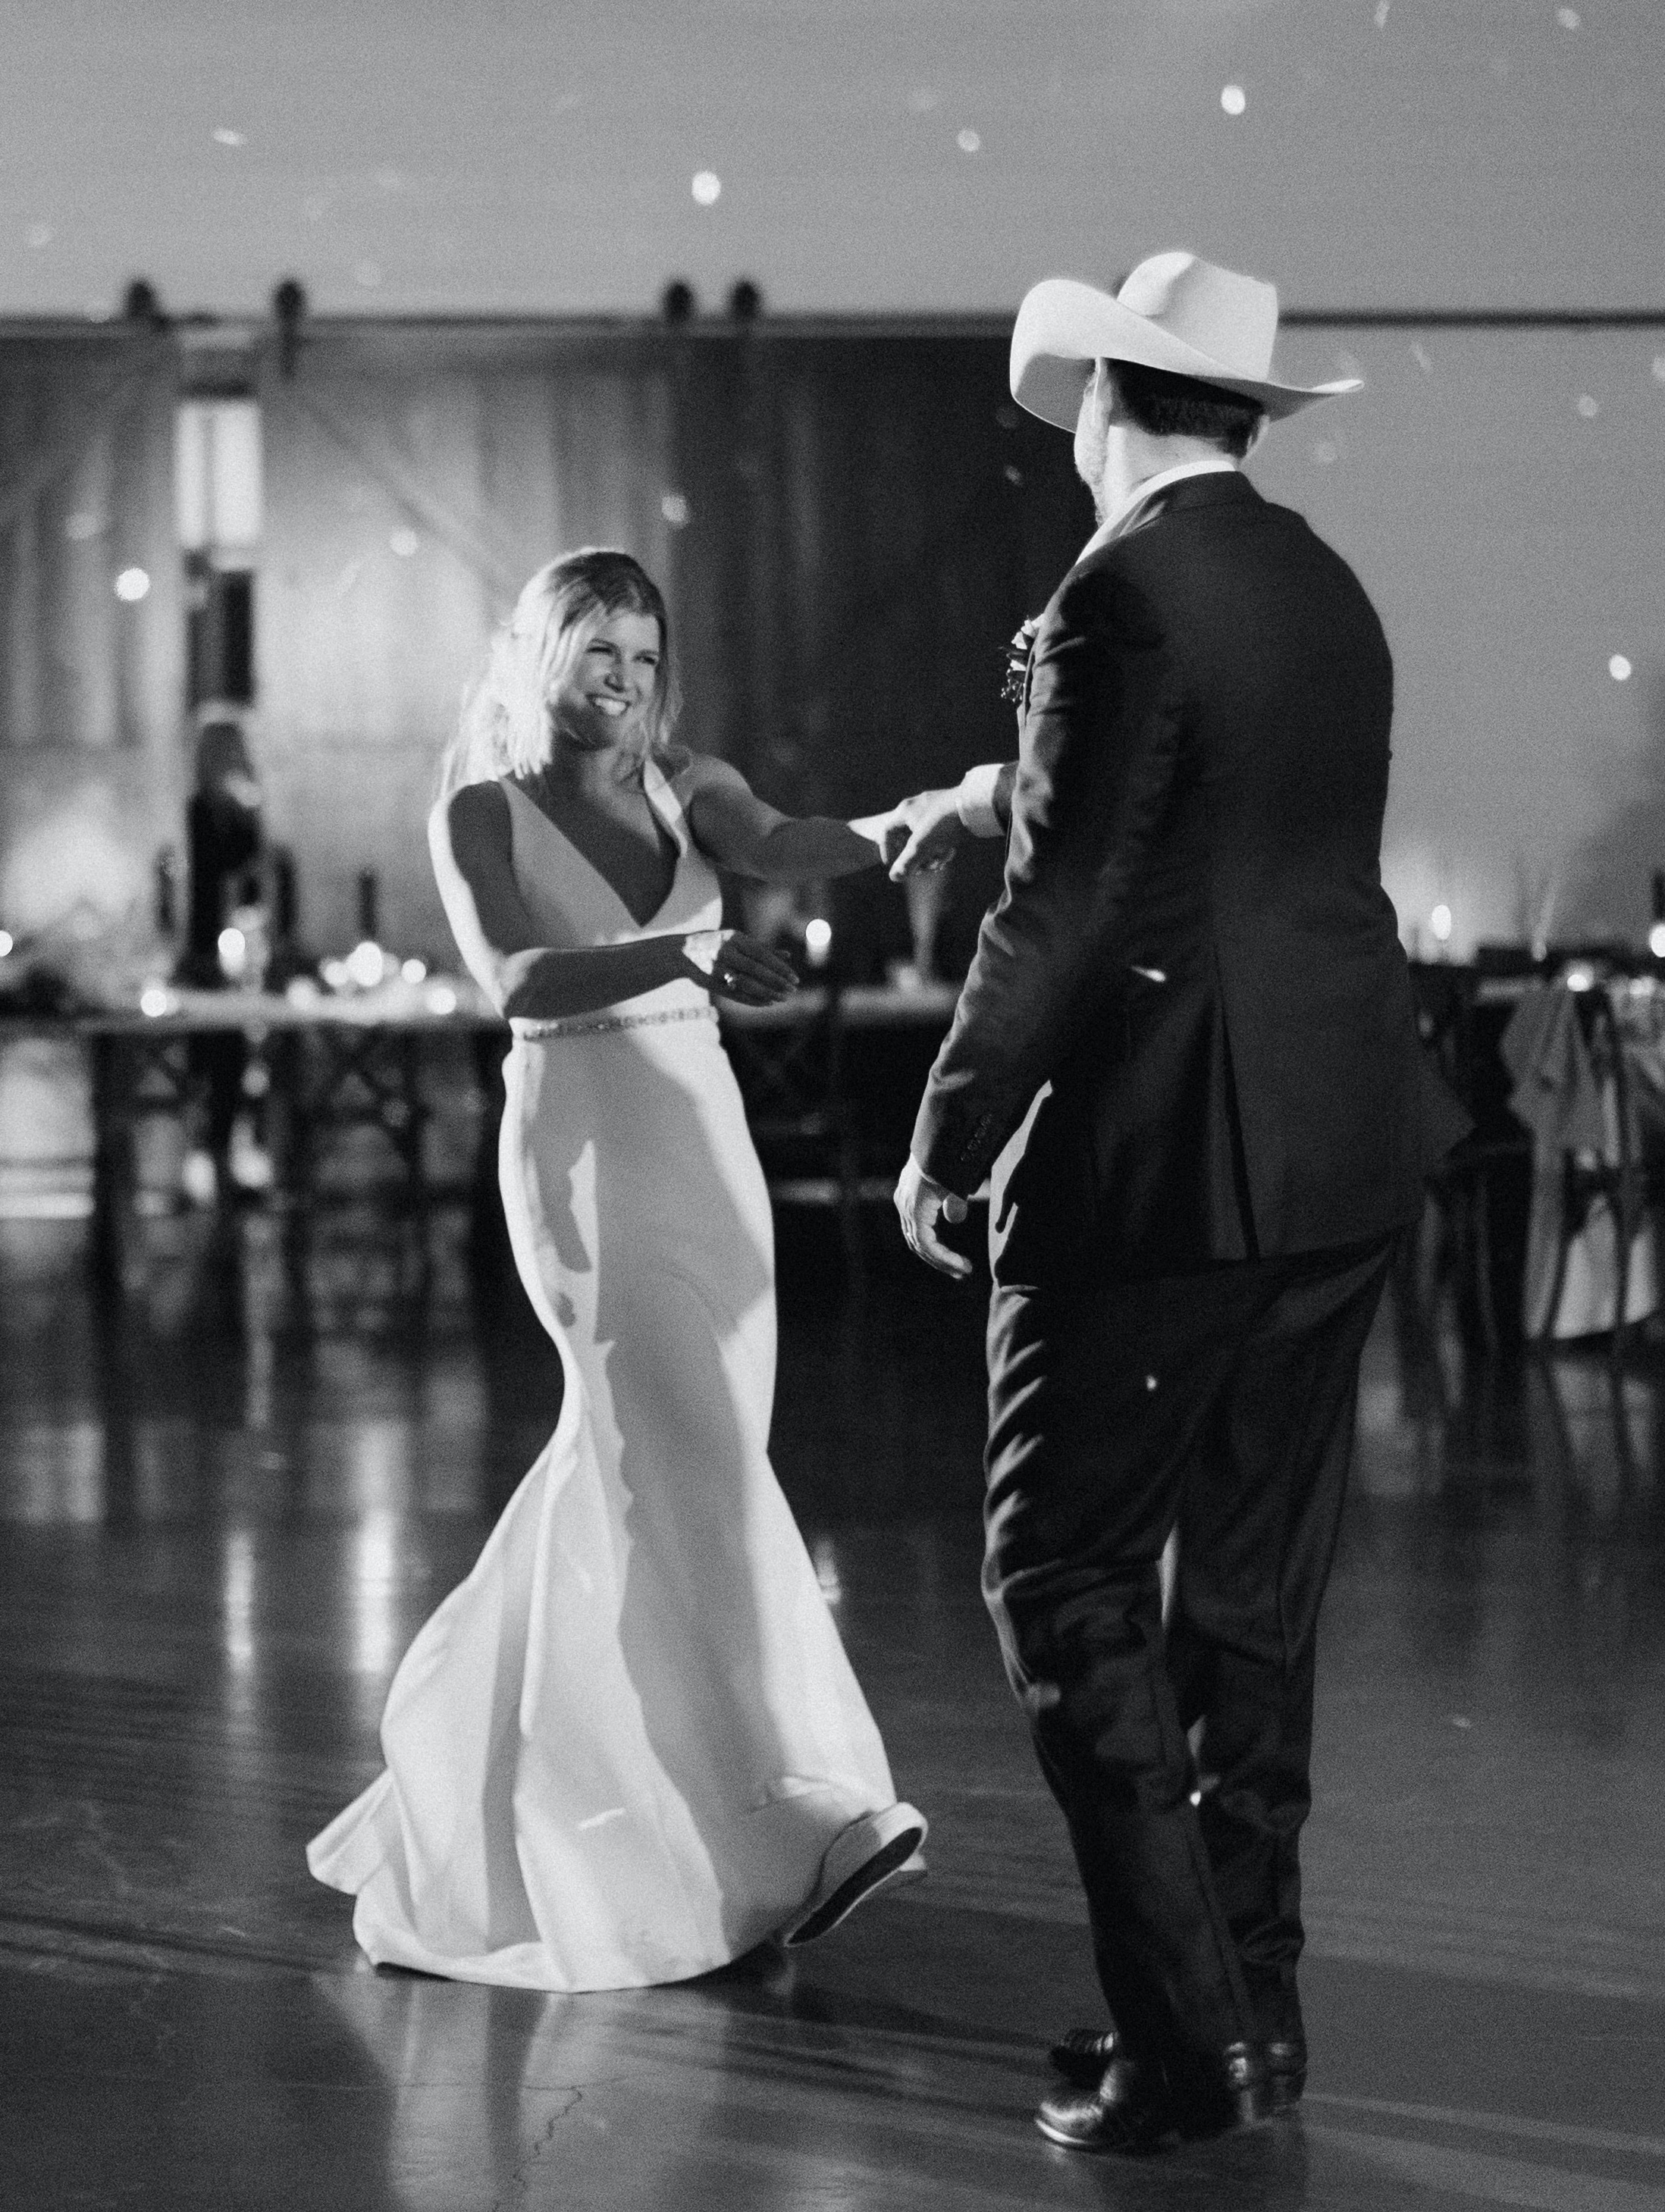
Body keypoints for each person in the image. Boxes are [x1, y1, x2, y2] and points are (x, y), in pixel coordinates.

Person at [887, 254, 1448, 2151]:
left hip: (1160, 1164)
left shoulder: (1110, 598)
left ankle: (1178, 2043)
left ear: (1109, 402)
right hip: (1344, 1142)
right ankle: (1251, 2014)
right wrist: (984, 786)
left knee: (1053, 1574)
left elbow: (1072, 907)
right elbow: (1220, 825)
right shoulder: (1324, 589)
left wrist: (943, 1136)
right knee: (1247, 1603)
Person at [307, 548, 926, 1988]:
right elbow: (517, 982)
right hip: (585, 1158)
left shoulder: (685, 782)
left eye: (646, 659)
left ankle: (518, 1794)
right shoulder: (482, 812)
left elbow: (781, 839)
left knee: (662, 1470)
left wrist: (907, 826)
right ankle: (807, 1813)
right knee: (691, 1461)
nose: (628, 685)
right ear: (542, 659)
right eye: (599, 657)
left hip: (707, 1155)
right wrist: (687, 960)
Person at [174, 710, 265, 1205]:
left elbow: (254, 879)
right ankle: (205, 1158)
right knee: (206, 1059)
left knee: (236, 1058)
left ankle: (229, 1155)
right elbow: (213, 874)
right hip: (206, 947)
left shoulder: (247, 809)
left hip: (241, 945)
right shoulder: (199, 810)